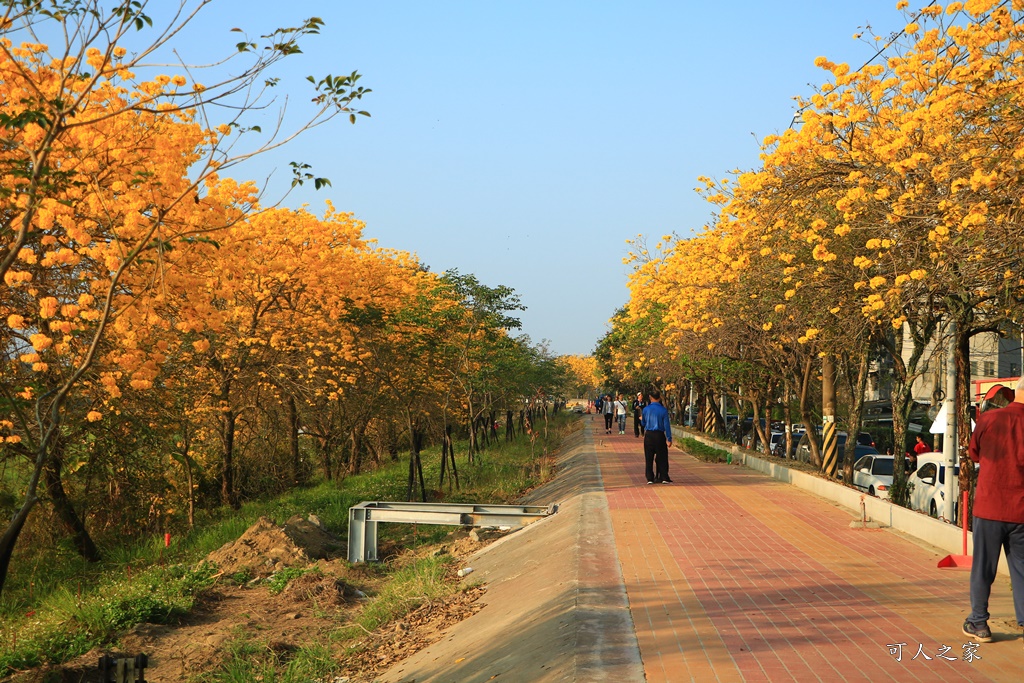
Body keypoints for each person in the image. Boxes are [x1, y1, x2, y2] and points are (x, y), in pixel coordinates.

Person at [962, 376, 1024, 643]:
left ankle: (979, 623)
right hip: (1021, 510)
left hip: (989, 508)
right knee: (1022, 569)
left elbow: (974, 453)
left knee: (983, 568)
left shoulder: (989, 420)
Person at [641, 390, 673, 484]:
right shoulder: (663, 410)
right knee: (662, 456)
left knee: (649, 457)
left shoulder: (646, 409)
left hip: (649, 435)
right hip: (659, 435)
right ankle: (663, 476)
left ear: (650, 397)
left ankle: (650, 478)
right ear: (659, 398)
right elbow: (667, 425)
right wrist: (669, 438)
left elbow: (643, 423)